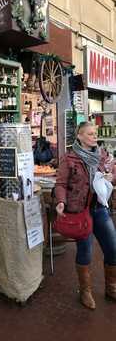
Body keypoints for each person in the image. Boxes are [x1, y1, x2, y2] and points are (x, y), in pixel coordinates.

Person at [55, 121, 116, 310]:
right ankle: (85, 291)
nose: (94, 136)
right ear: (79, 136)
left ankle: (111, 287)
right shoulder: (69, 158)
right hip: (81, 212)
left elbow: (112, 171)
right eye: (90, 134)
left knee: (112, 248)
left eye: (95, 133)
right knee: (86, 251)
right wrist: (61, 201)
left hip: (100, 209)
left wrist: (111, 176)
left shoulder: (102, 155)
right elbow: (60, 183)